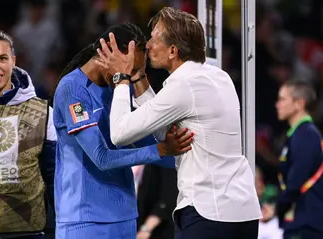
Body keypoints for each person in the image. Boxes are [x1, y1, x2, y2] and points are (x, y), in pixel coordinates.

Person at [95, 7, 262, 239]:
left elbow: (120, 133)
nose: (149, 44)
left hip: (208, 214)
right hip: (243, 211)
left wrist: (121, 78)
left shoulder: (183, 86)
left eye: (154, 37)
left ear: (173, 50)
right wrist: (139, 78)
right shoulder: (219, 76)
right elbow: (162, 127)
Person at [53, 22, 193, 239]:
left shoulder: (121, 89)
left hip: (125, 217)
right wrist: (161, 149)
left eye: (138, 71)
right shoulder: (72, 89)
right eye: (131, 70)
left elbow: (164, 158)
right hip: (84, 220)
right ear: (106, 53)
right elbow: (102, 158)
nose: (132, 77)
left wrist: (138, 83)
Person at [0, 30, 56, 239]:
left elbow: (54, 177)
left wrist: (62, 227)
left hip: (32, 233)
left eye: (2, 58)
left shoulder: (43, 112)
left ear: (13, 61)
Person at [275, 80, 323, 239]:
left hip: (307, 225)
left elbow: (295, 181)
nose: (277, 105)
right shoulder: (298, 135)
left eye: (282, 99)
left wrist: (278, 207)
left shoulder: (307, 136)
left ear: (299, 104)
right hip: (299, 222)